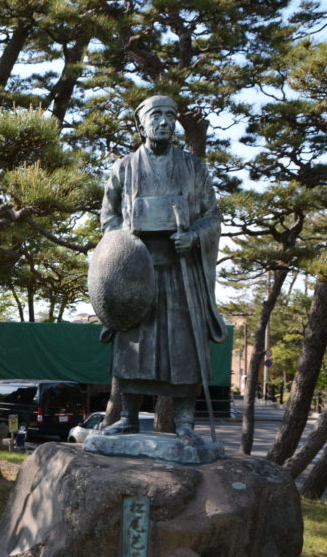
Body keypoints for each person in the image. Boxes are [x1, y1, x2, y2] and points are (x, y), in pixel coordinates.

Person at [98, 95, 225, 445]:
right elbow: (108, 217)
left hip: (180, 272)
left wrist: (194, 237)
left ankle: (184, 422)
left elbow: (212, 216)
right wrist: (125, 240)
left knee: (183, 346)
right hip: (136, 275)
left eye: (170, 115)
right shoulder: (124, 168)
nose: (165, 122)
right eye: (156, 115)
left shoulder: (193, 167)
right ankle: (127, 417)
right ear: (141, 124)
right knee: (133, 344)